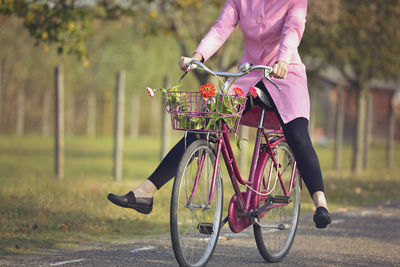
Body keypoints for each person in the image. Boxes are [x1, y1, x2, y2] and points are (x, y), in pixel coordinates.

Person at [108, 0, 331, 229]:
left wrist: (283, 59)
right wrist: (198, 56)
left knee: (298, 135)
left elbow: (292, 29)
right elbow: (221, 27)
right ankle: (146, 192)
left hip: (285, 75)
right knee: (206, 125)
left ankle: (320, 203)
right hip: (249, 75)